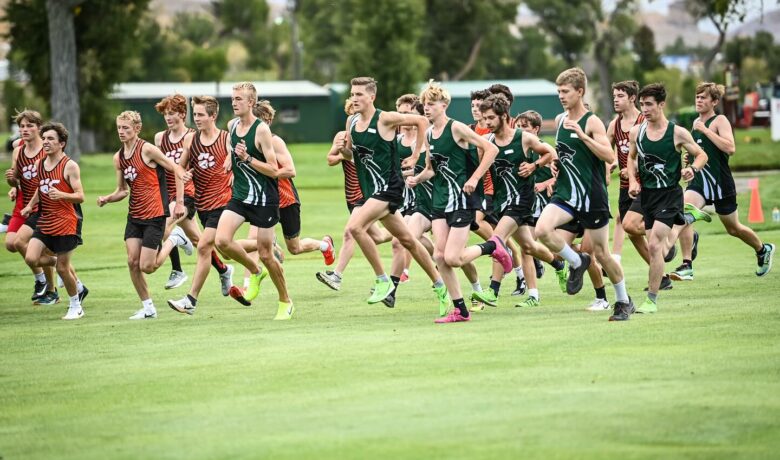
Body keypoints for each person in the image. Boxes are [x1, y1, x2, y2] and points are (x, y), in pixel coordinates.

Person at [339, 76, 449, 312]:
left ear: (372, 97)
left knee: (354, 228)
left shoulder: (385, 118)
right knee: (408, 240)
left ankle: (382, 280)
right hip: (372, 192)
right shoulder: (351, 122)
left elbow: (420, 120)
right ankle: (440, 286)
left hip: (389, 188)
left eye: (359, 94)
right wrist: (343, 150)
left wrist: (418, 153)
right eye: (352, 93)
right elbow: (351, 156)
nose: (354, 98)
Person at [534, 68, 635, 322]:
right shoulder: (558, 120)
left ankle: (623, 301)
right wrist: (556, 163)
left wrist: (582, 136)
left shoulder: (591, 122)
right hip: (566, 194)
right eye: (558, 91)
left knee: (602, 254)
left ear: (580, 92)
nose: (561, 96)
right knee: (542, 230)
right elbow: (566, 153)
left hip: (592, 196)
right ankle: (577, 261)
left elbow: (609, 156)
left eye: (565, 91)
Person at [408, 80, 505, 323]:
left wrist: (474, 178)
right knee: (440, 257)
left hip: (461, 201)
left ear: (444, 105)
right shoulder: (429, 133)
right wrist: (417, 178)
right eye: (424, 105)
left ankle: (493, 246)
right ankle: (460, 310)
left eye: (431, 104)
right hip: (439, 203)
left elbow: (491, 150)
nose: (426, 108)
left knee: (452, 257)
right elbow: (432, 169)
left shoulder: (457, 128)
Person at [668, 82, 775, 280]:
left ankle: (762, 249)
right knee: (684, 212)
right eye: (697, 97)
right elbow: (698, 151)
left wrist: (706, 131)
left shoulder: (720, 120)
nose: (698, 100)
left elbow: (730, 148)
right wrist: (688, 162)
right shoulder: (695, 123)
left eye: (703, 98)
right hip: (700, 181)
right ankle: (686, 265)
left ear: (714, 101)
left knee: (734, 228)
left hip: (721, 183)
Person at [97, 111, 192, 320]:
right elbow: (122, 190)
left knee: (147, 266)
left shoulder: (148, 149)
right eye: (119, 128)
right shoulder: (118, 157)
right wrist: (107, 198)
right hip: (134, 216)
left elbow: (175, 167)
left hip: (156, 214)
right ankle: (148, 308)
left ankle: (175, 238)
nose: (121, 132)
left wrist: (180, 202)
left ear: (137, 129)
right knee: (132, 262)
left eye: (126, 128)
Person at [214, 82, 294, 321]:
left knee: (267, 254)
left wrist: (247, 159)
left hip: (264, 200)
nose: (234, 103)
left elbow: (273, 169)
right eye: (233, 99)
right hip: (240, 196)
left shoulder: (261, 131)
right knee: (222, 241)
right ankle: (255, 270)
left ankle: (285, 301)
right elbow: (233, 150)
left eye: (238, 99)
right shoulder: (231, 125)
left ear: (250, 102)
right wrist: (230, 160)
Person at [627, 83, 708, 314]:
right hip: (648, 196)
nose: (644, 109)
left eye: (649, 104)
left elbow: (701, 154)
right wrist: (633, 181)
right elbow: (631, 159)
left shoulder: (677, 132)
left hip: (670, 194)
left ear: (661, 104)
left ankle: (651, 300)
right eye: (642, 104)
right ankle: (685, 220)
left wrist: (692, 168)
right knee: (659, 251)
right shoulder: (637, 132)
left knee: (654, 246)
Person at [167, 95, 236, 315]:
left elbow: (241, 159)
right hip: (203, 205)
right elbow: (178, 168)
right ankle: (260, 253)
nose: (196, 119)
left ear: (213, 116)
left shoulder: (226, 138)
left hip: (224, 203)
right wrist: (185, 174)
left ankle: (190, 300)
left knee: (204, 246)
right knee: (224, 249)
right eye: (194, 114)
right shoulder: (191, 140)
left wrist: (232, 163)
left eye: (200, 115)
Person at [20, 122, 87, 320]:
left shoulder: (70, 166)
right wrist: (29, 205)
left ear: (62, 144)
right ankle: (60, 262)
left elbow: (80, 196)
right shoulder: (40, 164)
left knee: (63, 270)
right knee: (31, 257)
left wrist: (62, 195)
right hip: (45, 220)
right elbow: (41, 190)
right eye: (45, 138)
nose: (46, 142)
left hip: (66, 222)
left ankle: (76, 305)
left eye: (51, 139)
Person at [4, 110, 56, 304]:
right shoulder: (18, 150)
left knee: (29, 245)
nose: (24, 129)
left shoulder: (47, 148)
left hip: (42, 205)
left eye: (29, 125)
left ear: (39, 128)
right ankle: (44, 279)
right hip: (22, 203)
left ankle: (48, 287)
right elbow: (16, 180)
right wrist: (12, 183)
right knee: (11, 243)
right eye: (22, 126)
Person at [154, 94, 201, 290]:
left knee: (163, 226)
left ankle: (178, 270)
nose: (168, 117)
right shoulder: (159, 138)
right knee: (202, 241)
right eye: (165, 114)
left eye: (172, 113)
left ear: (182, 114)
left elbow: (200, 164)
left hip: (187, 194)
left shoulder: (192, 136)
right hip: (167, 194)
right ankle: (224, 270)